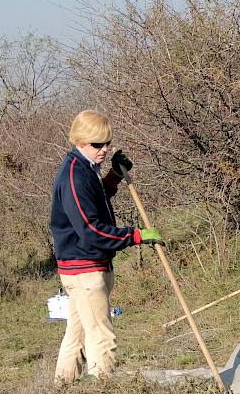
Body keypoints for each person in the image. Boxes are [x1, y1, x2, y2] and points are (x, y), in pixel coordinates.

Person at [50, 109, 164, 383]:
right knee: (101, 336)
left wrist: (113, 177)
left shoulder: (86, 169)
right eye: (97, 145)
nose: (104, 150)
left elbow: (96, 200)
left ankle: (61, 386)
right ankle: (104, 387)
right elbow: (91, 231)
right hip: (84, 270)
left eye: (107, 143)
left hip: (86, 267)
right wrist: (135, 236)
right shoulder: (74, 176)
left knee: (76, 335)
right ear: (79, 142)